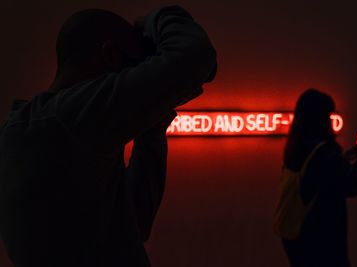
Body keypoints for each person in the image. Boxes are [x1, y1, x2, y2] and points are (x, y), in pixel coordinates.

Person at [0, 5, 216, 267]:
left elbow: (134, 222)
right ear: (111, 56)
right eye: (136, 68)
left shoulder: (40, 128)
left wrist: (152, 122)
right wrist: (160, 18)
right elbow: (196, 58)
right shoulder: (72, 115)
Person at [274, 89, 357, 267]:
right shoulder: (323, 154)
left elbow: (319, 177)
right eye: (328, 115)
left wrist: (343, 159)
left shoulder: (297, 149)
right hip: (323, 241)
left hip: (300, 239)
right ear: (320, 118)